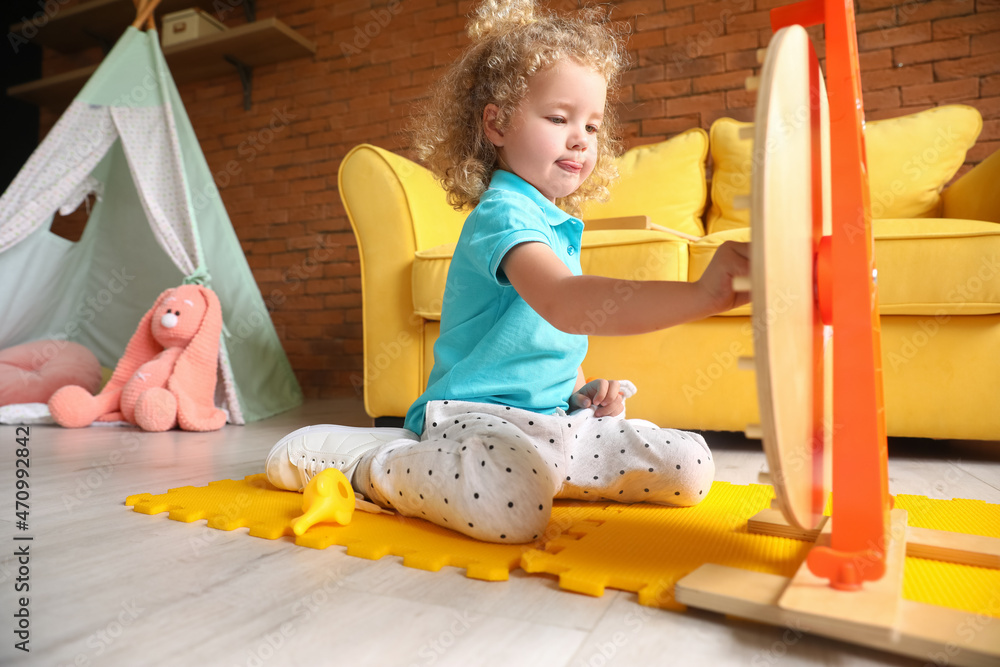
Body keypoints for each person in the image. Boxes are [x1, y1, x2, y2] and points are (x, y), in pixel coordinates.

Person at [265, 0, 750, 544]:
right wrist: (702, 294)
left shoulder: (557, 221)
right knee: (511, 511)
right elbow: (565, 302)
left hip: (554, 421)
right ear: (496, 123)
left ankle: (532, 472)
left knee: (692, 466)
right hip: (471, 418)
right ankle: (372, 461)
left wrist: (582, 395)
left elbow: (541, 340)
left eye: (591, 124)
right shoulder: (503, 213)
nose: (581, 138)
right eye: (558, 118)